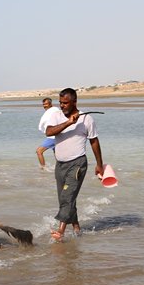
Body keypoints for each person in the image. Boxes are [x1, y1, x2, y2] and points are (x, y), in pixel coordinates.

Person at [44, 87, 104, 241]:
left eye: (65, 103)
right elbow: (49, 132)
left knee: (67, 197)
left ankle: (60, 231)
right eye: (60, 102)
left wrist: (99, 165)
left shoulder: (87, 119)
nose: (62, 105)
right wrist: (69, 123)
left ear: (74, 102)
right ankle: (77, 229)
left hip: (78, 163)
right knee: (66, 198)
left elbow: (94, 142)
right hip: (60, 165)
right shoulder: (57, 115)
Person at [35, 97, 61, 168]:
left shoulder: (55, 110)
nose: (44, 106)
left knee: (39, 151)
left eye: (46, 104)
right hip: (54, 136)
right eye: (43, 104)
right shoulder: (49, 112)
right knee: (57, 154)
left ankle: (43, 168)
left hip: (53, 137)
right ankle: (60, 168)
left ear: (50, 104)